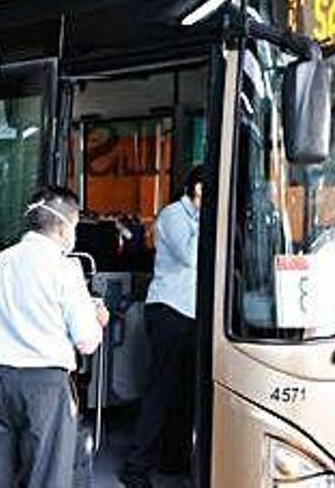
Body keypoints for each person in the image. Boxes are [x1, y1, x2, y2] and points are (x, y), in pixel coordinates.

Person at [0, 186, 109, 488]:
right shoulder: (65, 268)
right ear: (62, 226)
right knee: (47, 476)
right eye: (75, 226)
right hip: (43, 385)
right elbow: (86, 341)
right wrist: (98, 321)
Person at [120, 166, 203, 487]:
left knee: (185, 393)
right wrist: (203, 217)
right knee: (160, 390)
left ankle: (172, 461)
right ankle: (135, 468)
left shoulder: (193, 217)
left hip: (192, 313)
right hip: (169, 310)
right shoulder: (173, 215)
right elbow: (191, 257)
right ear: (197, 188)